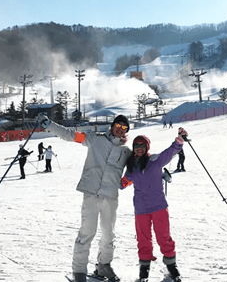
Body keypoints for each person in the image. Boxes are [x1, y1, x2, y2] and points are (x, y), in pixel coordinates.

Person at [37, 113, 131, 282]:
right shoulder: (95, 139)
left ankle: (104, 265)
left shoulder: (126, 152)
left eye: (124, 127)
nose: (120, 129)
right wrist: (49, 125)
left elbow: (141, 166)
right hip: (91, 194)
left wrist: (158, 172)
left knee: (109, 234)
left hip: (110, 198)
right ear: (112, 126)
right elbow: (71, 135)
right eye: (118, 125)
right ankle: (79, 271)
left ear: (126, 132)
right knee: (88, 232)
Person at [120, 128, 188, 282]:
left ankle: (172, 267)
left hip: (158, 207)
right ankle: (144, 273)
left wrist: (179, 140)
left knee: (164, 237)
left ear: (147, 147)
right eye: (136, 145)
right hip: (141, 209)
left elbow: (170, 152)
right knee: (143, 239)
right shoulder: (131, 167)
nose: (139, 148)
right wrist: (122, 180)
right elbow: (122, 185)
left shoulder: (155, 160)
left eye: (142, 145)